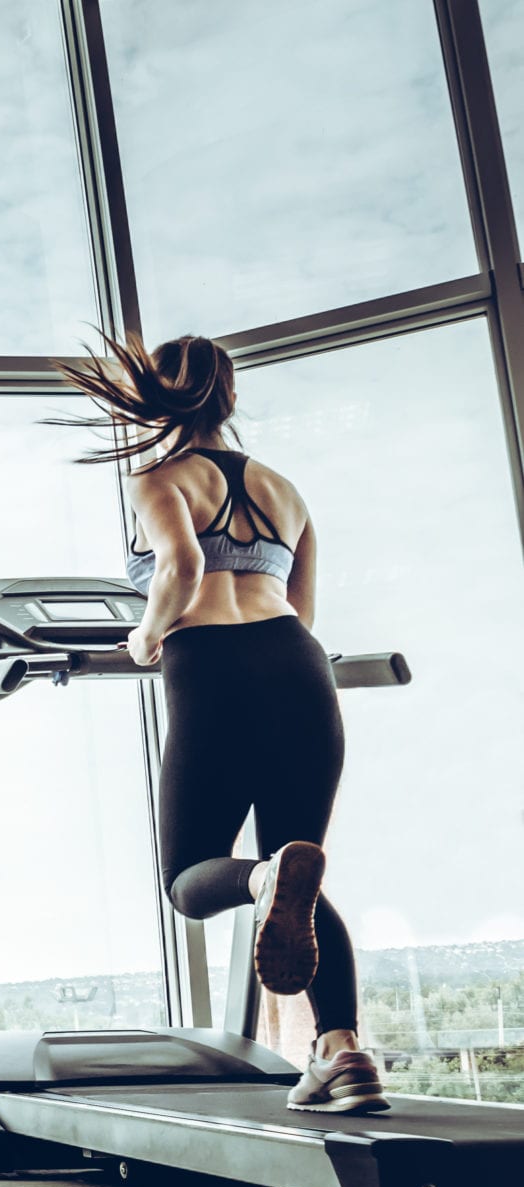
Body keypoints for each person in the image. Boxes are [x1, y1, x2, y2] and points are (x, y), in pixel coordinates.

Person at [54, 332, 383, 1114]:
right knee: (302, 862)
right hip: (301, 669)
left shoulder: (158, 478)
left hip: (212, 668)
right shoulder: (285, 488)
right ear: (228, 398)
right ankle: (344, 1051)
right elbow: (303, 609)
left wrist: (145, 634)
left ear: (156, 397)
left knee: (191, 880)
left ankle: (266, 878)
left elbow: (182, 567)